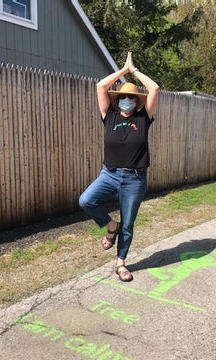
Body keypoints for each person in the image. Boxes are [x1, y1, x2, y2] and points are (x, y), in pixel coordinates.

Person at [79, 52, 159, 282]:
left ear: (136, 101)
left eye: (132, 98)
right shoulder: (109, 116)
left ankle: (121, 263)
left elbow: (154, 89)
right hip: (110, 174)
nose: (128, 100)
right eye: (124, 96)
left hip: (135, 179)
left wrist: (134, 72)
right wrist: (123, 70)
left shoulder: (143, 118)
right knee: (86, 200)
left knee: (129, 222)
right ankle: (110, 226)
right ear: (118, 99)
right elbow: (101, 85)